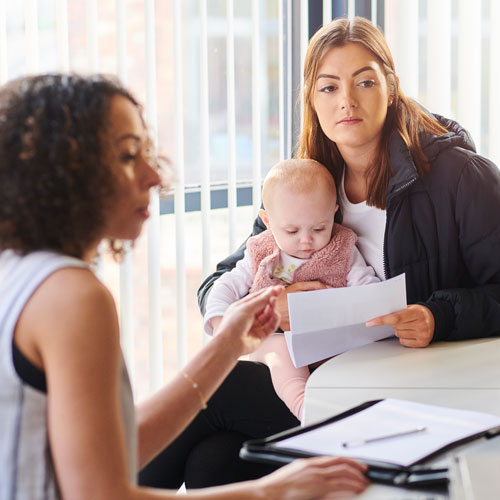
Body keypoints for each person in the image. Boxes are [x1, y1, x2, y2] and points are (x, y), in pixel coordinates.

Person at [140, 16, 500, 490]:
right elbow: (227, 275)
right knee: (214, 461)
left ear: (390, 87)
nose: (346, 101)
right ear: (312, 98)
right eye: (328, 88)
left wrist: (438, 316)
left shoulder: (459, 177)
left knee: (219, 392)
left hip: (411, 394)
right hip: (323, 385)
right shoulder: (310, 180)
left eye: (364, 81)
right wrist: (270, 308)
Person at [0, 74, 370, 500]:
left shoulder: (22, 273)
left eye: (147, 151)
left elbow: (109, 450)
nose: (155, 175)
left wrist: (229, 343)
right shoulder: (72, 298)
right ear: (65, 176)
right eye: (127, 155)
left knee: (215, 458)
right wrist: (270, 492)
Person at [203, 158, 378, 420]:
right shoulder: (261, 251)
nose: (306, 240)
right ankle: (303, 406)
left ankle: (339, 406)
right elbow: (225, 285)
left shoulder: (343, 249)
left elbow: (367, 289)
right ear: (268, 221)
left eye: (319, 228)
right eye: (292, 230)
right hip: (276, 341)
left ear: (334, 212)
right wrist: (220, 322)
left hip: (329, 343)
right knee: (280, 352)